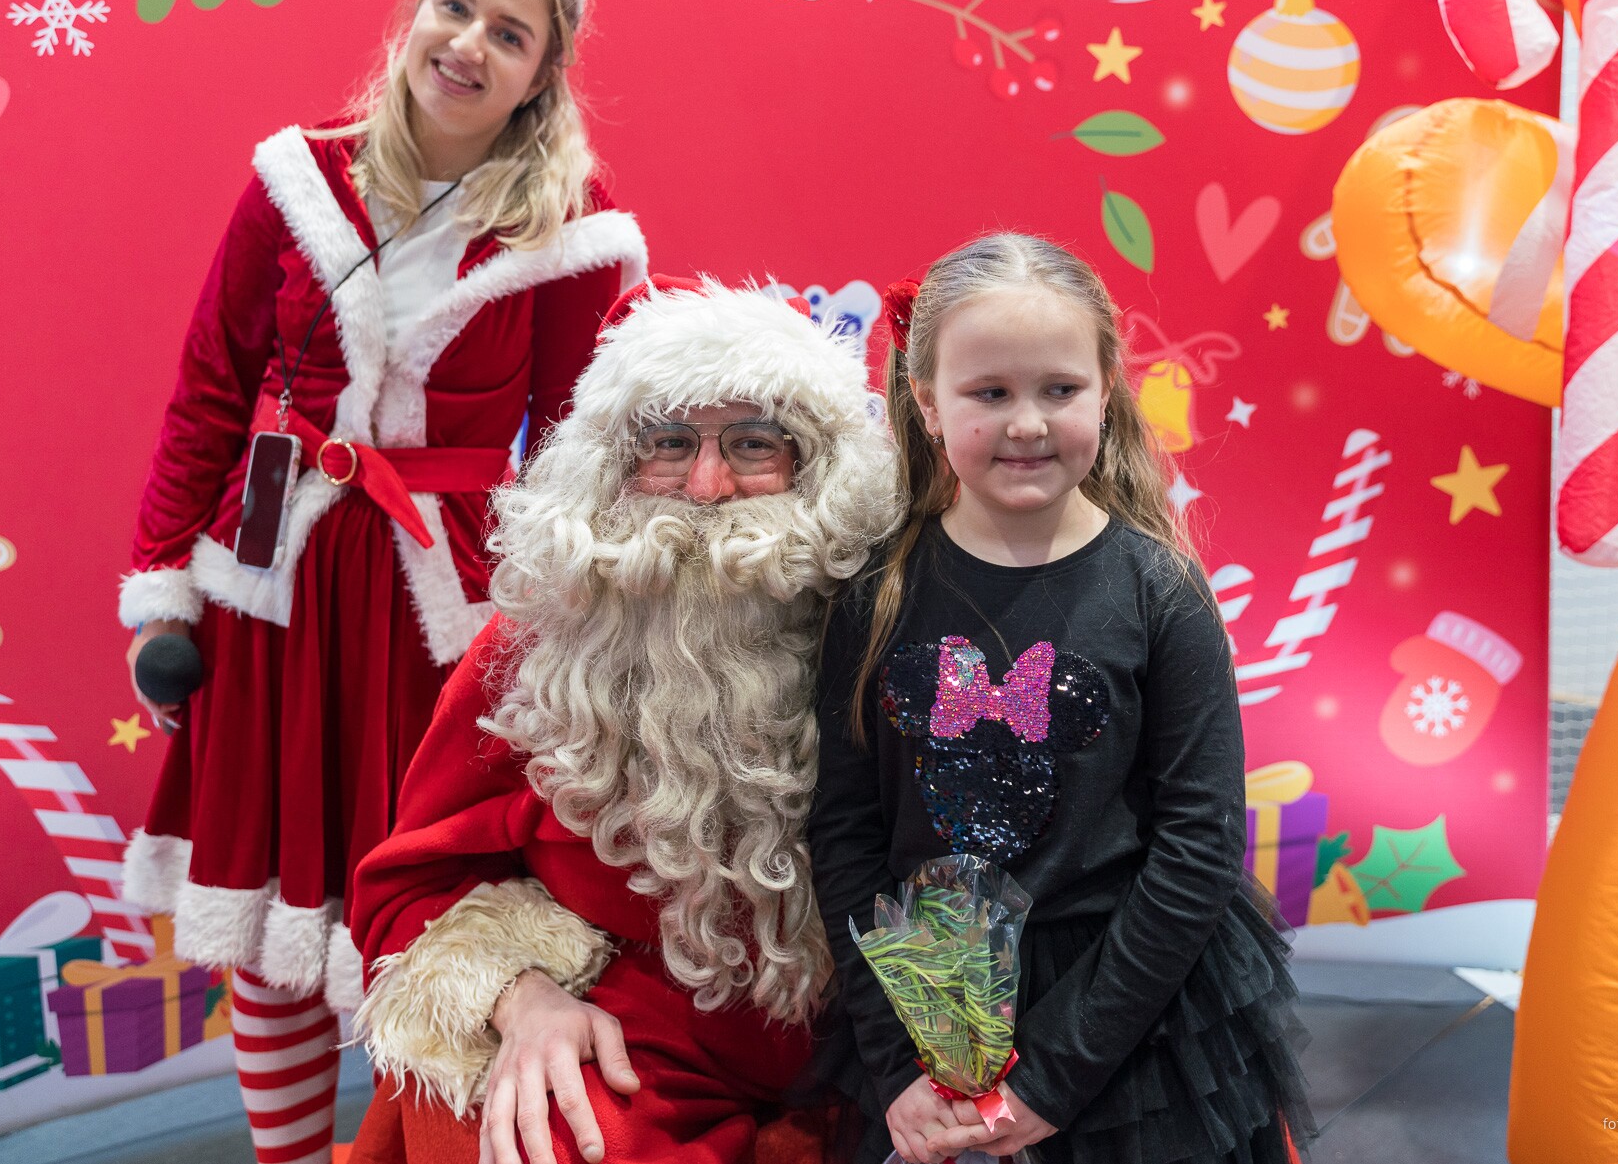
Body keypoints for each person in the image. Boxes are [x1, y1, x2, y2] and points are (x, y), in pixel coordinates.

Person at [115, 0, 647, 1164]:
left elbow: (578, 451)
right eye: (455, 9)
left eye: (509, 34)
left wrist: (578, 638)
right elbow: (210, 389)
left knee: (421, 915)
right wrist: (164, 589)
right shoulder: (296, 176)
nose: (469, 45)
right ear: (416, 13)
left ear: (541, 75)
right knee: (265, 918)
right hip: (273, 590)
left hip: (435, 617)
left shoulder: (571, 224)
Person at [346, 275, 902, 1164]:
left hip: (867, 1041)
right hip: (633, 1034)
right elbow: (403, 890)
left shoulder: (882, 619)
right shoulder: (533, 646)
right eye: (668, 442)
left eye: (753, 442)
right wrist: (522, 994)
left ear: (816, 462)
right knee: (524, 1134)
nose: (708, 486)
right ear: (608, 463)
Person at [808, 233, 1317, 1164]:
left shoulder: (1160, 593)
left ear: (1106, 389)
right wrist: (897, 1066)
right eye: (989, 393)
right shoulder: (874, 596)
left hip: (1127, 1022)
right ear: (927, 402)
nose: (1027, 423)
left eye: (1059, 388)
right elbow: (845, 837)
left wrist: (1052, 1075)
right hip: (929, 1014)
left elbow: (1198, 847)